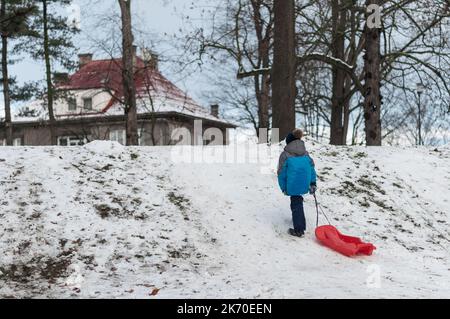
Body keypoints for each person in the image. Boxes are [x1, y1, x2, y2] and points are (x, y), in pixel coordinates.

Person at [277, 129, 317, 237]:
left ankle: (299, 229)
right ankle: (297, 219)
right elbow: (312, 169)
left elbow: (281, 173)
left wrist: (283, 187)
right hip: (305, 183)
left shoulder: (285, 155)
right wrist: (313, 183)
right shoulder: (306, 154)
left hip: (292, 184)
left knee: (296, 202)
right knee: (297, 201)